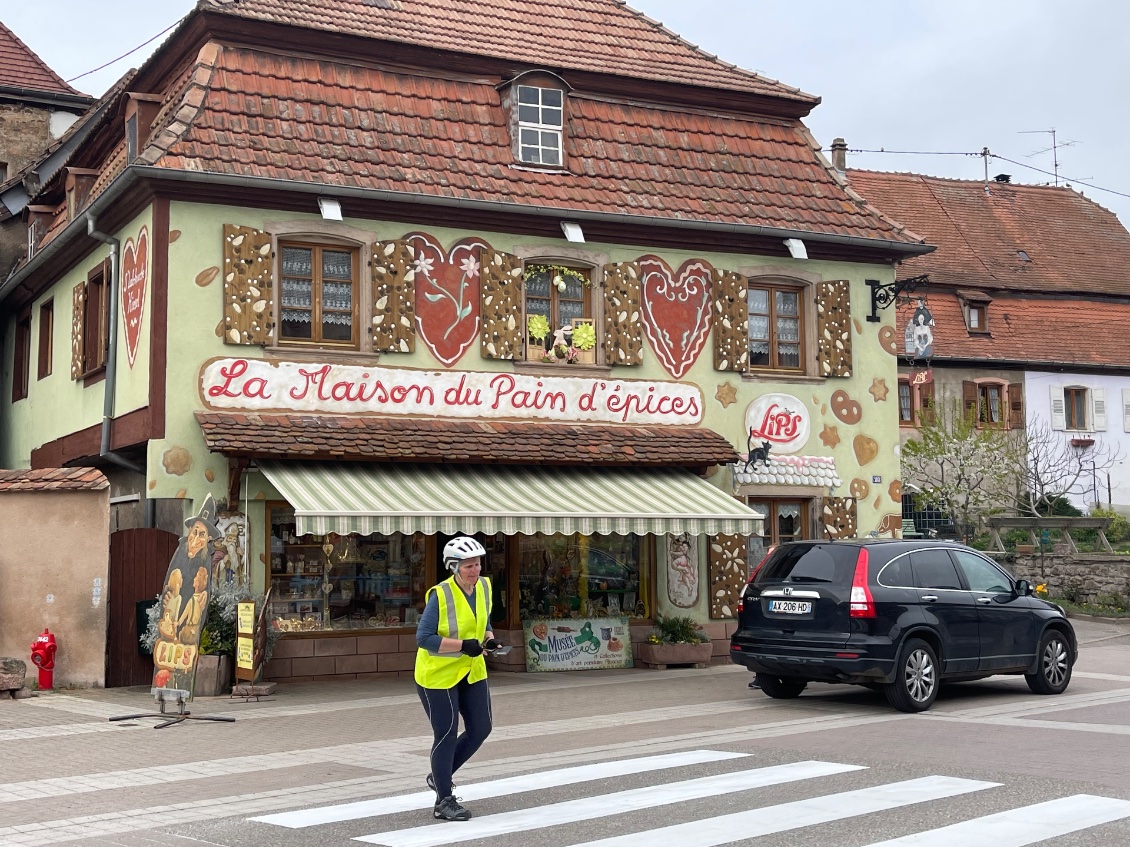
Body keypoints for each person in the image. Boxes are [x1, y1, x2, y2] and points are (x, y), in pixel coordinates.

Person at [414, 536, 501, 822]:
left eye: (477, 564)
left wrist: (488, 640)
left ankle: (440, 774)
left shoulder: (485, 586)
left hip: (471, 670)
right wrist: (463, 645)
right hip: (438, 675)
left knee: (481, 728)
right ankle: (444, 800)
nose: (475, 570)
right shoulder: (439, 595)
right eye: (468, 566)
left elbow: (484, 619)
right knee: (447, 733)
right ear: (454, 567)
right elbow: (424, 638)